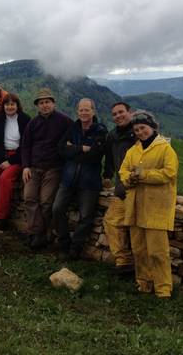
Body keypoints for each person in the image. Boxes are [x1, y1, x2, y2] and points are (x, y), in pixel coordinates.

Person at [119, 110, 178, 299]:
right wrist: (129, 179)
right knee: (139, 250)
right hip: (135, 208)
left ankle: (163, 289)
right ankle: (143, 284)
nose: (140, 132)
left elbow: (169, 173)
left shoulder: (165, 149)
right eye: (136, 129)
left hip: (157, 209)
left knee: (158, 252)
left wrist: (143, 175)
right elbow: (123, 171)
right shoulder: (133, 150)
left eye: (143, 128)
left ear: (152, 127)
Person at [52, 98, 108, 259]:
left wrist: (72, 150)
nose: (84, 113)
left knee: (86, 217)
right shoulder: (72, 128)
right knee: (57, 209)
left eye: (87, 110)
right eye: (81, 110)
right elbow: (61, 149)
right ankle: (64, 243)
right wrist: (81, 148)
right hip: (68, 179)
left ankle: (75, 248)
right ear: (77, 111)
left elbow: (95, 155)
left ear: (93, 111)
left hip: (89, 182)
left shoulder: (101, 130)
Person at [20, 88, 73, 250]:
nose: (44, 105)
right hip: (34, 168)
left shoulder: (64, 121)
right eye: (41, 103)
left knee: (46, 201)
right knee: (29, 197)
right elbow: (25, 145)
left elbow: (76, 133)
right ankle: (38, 233)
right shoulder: (33, 123)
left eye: (47, 102)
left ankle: (40, 235)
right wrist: (25, 166)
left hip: (53, 168)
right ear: (37, 106)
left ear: (53, 103)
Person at [0, 93, 30, 229]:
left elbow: (26, 145)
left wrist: (11, 161)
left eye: (12, 104)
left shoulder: (25, 120)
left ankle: (1, 218)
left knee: (5, 179)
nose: (9, 107)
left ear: (17, 106)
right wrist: (0, 160)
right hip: (0, 156)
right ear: (3, 106)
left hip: (17, 157)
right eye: (7, 104)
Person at [102, 101, 136, 274]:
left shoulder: (139, 132)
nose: (118, 116)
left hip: (140, 190)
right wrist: (107, 176)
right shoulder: (112, 136)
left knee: (138, 229)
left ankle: (144, 269)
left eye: (121, 112)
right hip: (121, 189)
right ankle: (124, 262)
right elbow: (109, 160)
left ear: (130, 112)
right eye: (114, 114)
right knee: (111, 221)